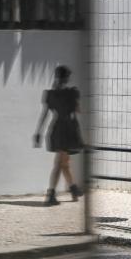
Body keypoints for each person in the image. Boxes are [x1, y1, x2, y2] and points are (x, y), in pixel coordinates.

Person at [34, 65, 83, 206]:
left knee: (64, 163)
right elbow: (78, 110)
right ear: (67, 78)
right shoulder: (72, 93)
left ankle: (73, 189)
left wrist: (39, 132)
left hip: (56, 129)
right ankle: (51, 194)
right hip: (69, 130)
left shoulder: (50, 94)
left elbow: (44, 114)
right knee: (59, 163)